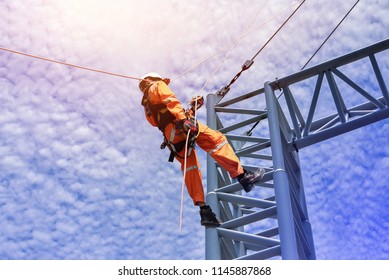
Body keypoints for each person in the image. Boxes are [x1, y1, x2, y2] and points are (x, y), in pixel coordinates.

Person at [138, 72, 265, 227]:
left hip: (172, 138)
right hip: (180, 128)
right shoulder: (157, 86)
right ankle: (243, 176)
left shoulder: (147, 106)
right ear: (152, 79)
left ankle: (204, 210)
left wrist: (192, 109)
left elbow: (166, 118)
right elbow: (170, 101)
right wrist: (185, 120)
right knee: (216, 141)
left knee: (190, 168)